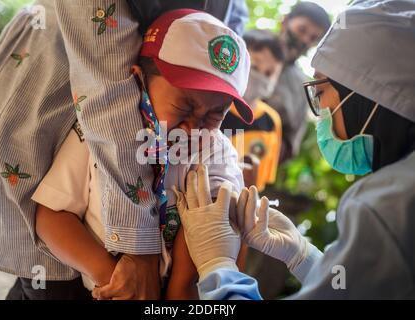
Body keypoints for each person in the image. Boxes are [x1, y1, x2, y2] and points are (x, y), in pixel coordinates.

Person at [0, 0, 246, 300]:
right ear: (138, 80)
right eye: (185, 107)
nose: (194, 127)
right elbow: (50, 215)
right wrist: (112, 278)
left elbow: (209, 227)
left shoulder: (214, 152)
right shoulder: (90, 137)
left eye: (215, 115)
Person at [174, 0, 415, 299]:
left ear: (365, 98)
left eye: (321, 93)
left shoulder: (391, 210)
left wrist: (219, 267)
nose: (320, 113)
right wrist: (304, 256)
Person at [267, 2, 330, 163]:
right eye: (302, 30)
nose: (304, 40)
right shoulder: (246, 48)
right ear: (285, 21)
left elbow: (290, 144)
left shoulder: (303, 86)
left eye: (313, 38)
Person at [221, 29, 284, 190]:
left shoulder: (272, 121)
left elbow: (262, 181)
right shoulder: (216, 108)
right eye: (255, 67)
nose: (261, 77)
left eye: (269, 73)